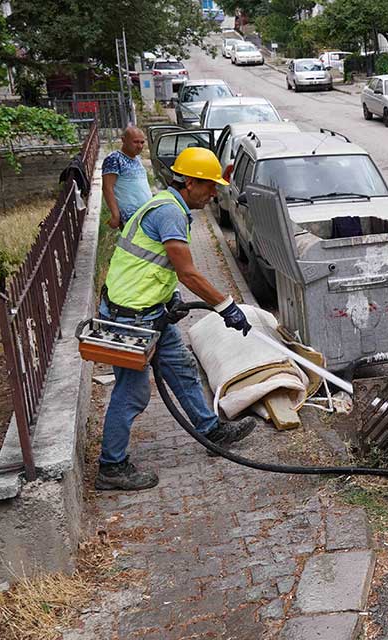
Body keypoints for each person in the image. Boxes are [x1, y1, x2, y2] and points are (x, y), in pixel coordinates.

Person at [96, 147, 258, 491]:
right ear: (188, 182)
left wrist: (170, 300)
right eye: (208, 186)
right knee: (132, 392)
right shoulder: (169, 213)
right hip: (130, 318)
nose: (213, 193)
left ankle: (210, 430)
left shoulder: (168, 207)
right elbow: (188, 272)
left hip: (151, 312)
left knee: (182, 369)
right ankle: (111, 466)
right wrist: (226, 306)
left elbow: (156, 265)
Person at [102, 127, 153, 229]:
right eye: (136, 142)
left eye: (142, 142)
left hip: (146, 215)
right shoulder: (114, 159)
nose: (140, 146)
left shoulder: (137, 158)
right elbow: (107, 188)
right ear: (123, 140)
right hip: (130, 219)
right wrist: (115, 216)